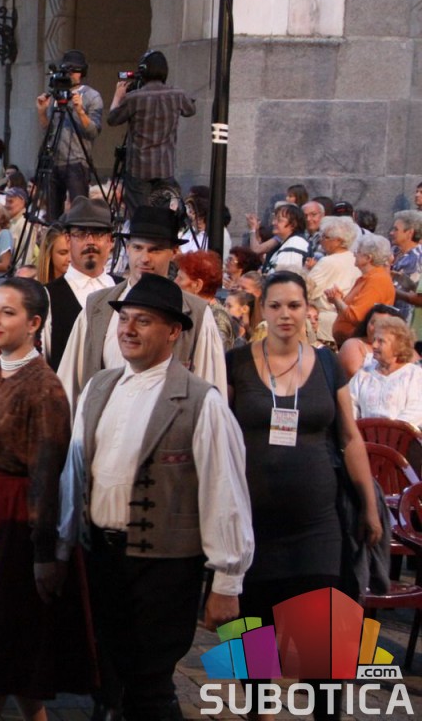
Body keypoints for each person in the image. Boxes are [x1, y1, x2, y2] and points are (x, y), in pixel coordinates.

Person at [58, 273, 254, 721]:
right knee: (106, 681)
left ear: (173, 332)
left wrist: (226, 582)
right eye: (124, 319)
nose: (128, 329)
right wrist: (64, 546)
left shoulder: (201, 400)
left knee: (149, 684)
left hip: (164, 566)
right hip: (101, 556)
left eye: (142, 321)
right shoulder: (99, 387)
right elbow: (75, 472)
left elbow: (225, 492)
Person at [226, 272, 381, 711]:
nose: (285, 315)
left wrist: (369, 506)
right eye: (275, 305)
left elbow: (350, 438)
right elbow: (217, 436)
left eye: (293, 305)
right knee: (252, 647)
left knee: (322, 654)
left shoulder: (328, 364)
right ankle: (260, 715)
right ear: (262, 310)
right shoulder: (236, 362)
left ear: (307, 309)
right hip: (250, 527)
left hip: (317, 526)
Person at [0, 277, 92, 720]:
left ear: (34, 323)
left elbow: (48, 475)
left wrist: (45, 552)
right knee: (4, 650)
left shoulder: (44, 387)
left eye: (7, 313)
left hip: (15, 522)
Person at [58, 206, 226, 410]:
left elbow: (211, 394)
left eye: (155, 250)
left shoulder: (196, 313)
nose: (145, 258)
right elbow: (68, 386)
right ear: (127, 248)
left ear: (174, 252)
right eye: (138, 248)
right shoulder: (96, 307)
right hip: (105, 425)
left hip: (165, 426)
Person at [105, 51, 196, 216]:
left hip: (138, 169)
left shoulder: (134, 98)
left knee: (140, 217)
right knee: (164, 216)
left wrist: (118, 96)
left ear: (143, 71)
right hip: (165, 168)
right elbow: (191, 110)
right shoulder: (177, 95)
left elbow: (112, 119)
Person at [42, 197, 118, 370]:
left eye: (98, 233)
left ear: (110, 241)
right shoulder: (48, 296)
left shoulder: (124, 289)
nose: (90, 241)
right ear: (68, 240)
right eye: (81, 234)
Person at [35, 50, 104, 216]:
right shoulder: (56, 95)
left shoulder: (92, 96)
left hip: (77, 161)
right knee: (52, 214)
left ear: (82, 73)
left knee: (79, 212)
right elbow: (49, 131)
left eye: (74, 70)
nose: (70, 74)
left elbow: (93, 131)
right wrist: (42, 113)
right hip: (54, 160)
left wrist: (80, 111)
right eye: (67, 70)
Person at [348, 315, 422, 427]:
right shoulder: (364, 374)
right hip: (365, 435)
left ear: (398, 346)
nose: (374, 345)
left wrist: (388, 431)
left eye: (381, 341)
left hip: (401, 436)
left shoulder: (414, 375)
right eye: (374, 340)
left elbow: (416, 410)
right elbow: (350, 405)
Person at [327, 234, 396, 346]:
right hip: (348, 342)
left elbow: (357, 317)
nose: (354, 254)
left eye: (358, 252)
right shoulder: (367, 278)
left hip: (358, 345)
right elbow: (350, 311)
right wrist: (337, 300)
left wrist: (337, 300)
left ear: (368, 258)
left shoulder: (377, 281)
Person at [308, 216, 361, 346]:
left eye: (325, 237)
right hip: (345, 322)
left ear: (338, 241)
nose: (321, 240)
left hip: (323, 323)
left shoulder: (328, 261)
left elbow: (308, 289)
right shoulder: (356, 260)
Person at [173, 250, 235, 350]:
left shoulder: (218, 318)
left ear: (197, 285)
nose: (175, 282)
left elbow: (217, 355)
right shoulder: (193, 311)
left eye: (180, 278)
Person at [337, 304, 404, 380]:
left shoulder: (402, 350)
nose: (376, 328)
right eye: (373, 323)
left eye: (383, 324)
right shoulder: (352, 345)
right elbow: (356, 376)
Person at [260, 203, 310, 273]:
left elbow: (286, 276)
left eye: (279, 220)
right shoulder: (287, 243)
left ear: (293, 224)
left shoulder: (295, 243)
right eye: (274, 219)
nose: (273, 223)